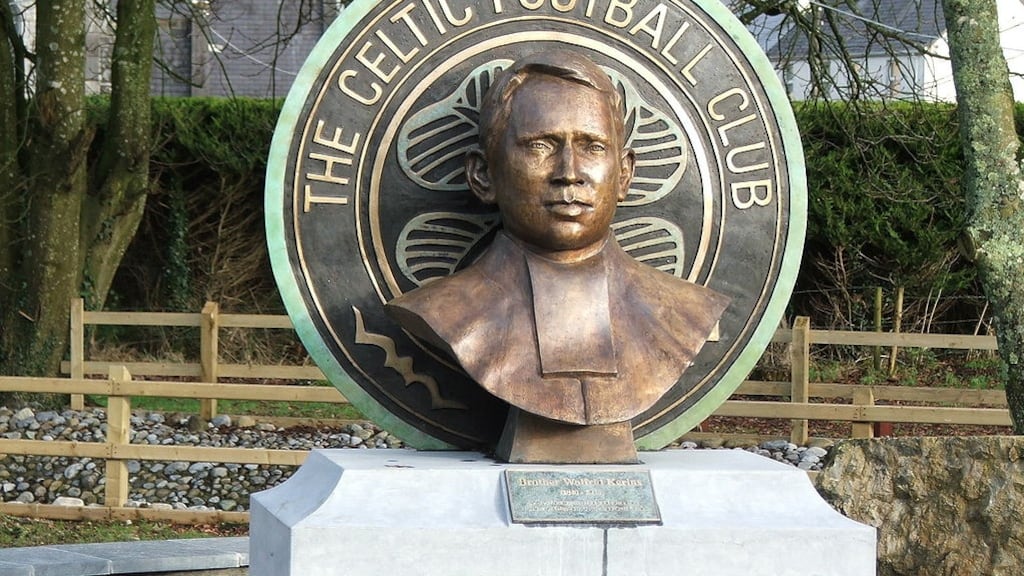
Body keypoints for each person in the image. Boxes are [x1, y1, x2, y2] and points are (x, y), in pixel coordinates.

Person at [386, 50, 729, 459]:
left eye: (592, 146)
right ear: (482, 175)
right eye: (541, 145)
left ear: (624, 174)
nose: (569, 171)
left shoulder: (686, 311)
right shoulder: (441, 313)